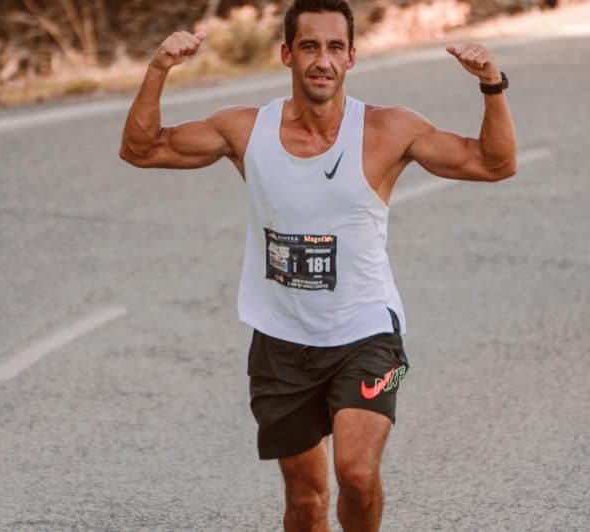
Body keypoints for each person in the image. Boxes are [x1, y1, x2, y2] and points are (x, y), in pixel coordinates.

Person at [119, 0, 516, 529]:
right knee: (305, 502)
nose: (322, 60)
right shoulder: (247, 130)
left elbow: (495, 162)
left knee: (356, 473)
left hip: (366, 335)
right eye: (309, 46)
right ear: (287, 54)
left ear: (351, 57)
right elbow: (141, 148)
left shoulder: (387, 130)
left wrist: (491, 84)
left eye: (334, 47)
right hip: (281, 342)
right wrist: (158, 69)